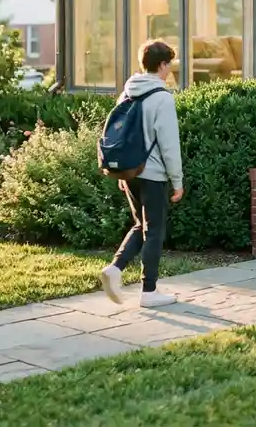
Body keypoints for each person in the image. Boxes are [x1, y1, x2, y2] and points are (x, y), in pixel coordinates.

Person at [100, 40, 184, 308]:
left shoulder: (127, 93)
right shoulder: (161, 98)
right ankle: (149, 291)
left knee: (140, 225)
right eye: (169, 64)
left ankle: (115, 269)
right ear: (162, 65)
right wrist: (178, 181)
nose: (170, 69)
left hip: (129, 171)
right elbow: (169, 145)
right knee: (155, 230)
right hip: (154, 174)